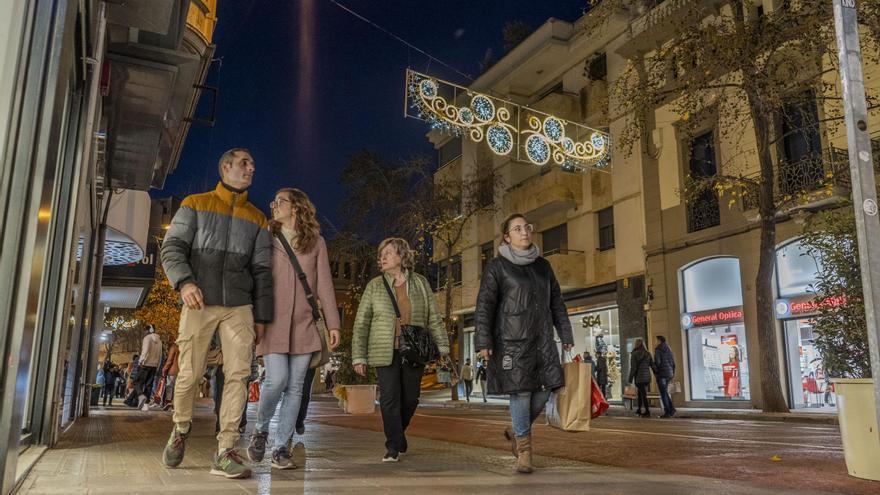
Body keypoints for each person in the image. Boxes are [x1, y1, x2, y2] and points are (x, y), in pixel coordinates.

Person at [160, 148, 273, 479]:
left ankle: (226, 449)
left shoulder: (257, 218)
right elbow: (172, 248)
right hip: (199, 300)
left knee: (239, 373)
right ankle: (180, 428)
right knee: (190, 373)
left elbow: (263, 271)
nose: (251, 167)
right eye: (244, 163)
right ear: (225, 167)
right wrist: (184, 283)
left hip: (239, 305)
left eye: (253, 163)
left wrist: (262, 316)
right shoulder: (195, 204)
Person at [248, 188, 341, 469]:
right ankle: (261, 429)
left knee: (296, 387)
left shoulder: (317, 243)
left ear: (297, 208)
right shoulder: (266, 236)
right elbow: (256, 277)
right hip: (273, 321)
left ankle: (280, 448)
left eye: (280, 201)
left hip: (304, 323)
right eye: (274, 201)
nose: (273, 205)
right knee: (277, 380)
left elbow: (324, 284)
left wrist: (334, 323)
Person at [475, 213, 574, 474]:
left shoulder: (543, 266)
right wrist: (483, 340)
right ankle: (524, 451)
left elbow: (557, 303)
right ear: (507, 237)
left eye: (527, 227)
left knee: (546, 389)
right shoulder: (497, 267)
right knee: (521, 391)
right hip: (512, 342)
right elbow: (485, 305)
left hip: (542, 340)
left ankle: (517, 431)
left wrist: (566, 334)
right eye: (517, 229)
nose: (524, 232)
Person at [352, 238, 449, 462]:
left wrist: (441, 345)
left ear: (402, 256)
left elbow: (433, 317)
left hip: (413, 350)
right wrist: (359, 356)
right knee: (389, 399)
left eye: (388, 253)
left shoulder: (421, 283)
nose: (382, 257)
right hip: (383, 350)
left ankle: (398, 434)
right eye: (381, 254)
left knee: (411, 399)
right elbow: (362, 323)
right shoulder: (374, 286)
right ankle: (393, 445)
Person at [136, 324, 162, 410]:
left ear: (148, 330)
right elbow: (160, 355)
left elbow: (145, 350)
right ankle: (146, 405)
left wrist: (141, 361)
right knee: (149, 385)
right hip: (154, 365)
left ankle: (141, 395)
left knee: (137, 381)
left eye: (145, 330)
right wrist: (157, 365)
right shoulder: (159, 340)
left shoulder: (147, 338)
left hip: (145, 364)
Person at [629, 338, 654, 418]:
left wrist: (630, 378)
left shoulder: (634, 354)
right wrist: (657, 372)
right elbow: (652, 365)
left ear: (636, 344)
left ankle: (647, 411)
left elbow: (633, 368)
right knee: (640, 393)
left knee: (642, 394)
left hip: (639, 377)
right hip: (646, 377)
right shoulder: (648, 353)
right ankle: (639, 409)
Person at [653, 335, 676, 418]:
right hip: (669, 373)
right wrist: (672, 372)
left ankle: (667, 411)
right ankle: (672, 409)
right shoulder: (668, 348)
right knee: (665, 392)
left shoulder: (658, 349)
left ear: (659, 341)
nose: (655, 342)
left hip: (662, 374)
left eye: (656, 340)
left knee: (663, 393)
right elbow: (673, 362)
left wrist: (655, 371)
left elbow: (658, 362)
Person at [162, 343, 180, 410]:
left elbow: (169, 360)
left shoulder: (174, 347)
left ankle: (169, 403)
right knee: (177, 388)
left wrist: (164, 369)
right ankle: (175, 404)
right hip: (181, 371)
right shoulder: (184, 346)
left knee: (169, 387)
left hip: (173, 371)